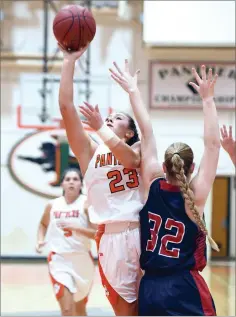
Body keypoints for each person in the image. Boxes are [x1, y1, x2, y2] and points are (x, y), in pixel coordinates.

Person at [106, 61, 220, 315]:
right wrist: (208, 100)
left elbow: (147, 133)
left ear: (164, 165)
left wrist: (133, 91)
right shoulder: (195, 196)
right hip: (184, 286)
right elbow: (213, 146)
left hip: (151, 288)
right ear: (191, 169)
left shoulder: (152, 183)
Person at [58, 45, 144, 316]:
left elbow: (130, 161)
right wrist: (69, 61)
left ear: (129, 132)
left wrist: (101, 128)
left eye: (116, 118)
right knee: (125, 309)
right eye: (107, 118)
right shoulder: (90, 152)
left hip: (143, 231)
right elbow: (66, 107)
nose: (109, 119)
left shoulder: (139, 149)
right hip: (111, 235)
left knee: (153, 305)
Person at [36, 168, 96, 316]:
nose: (71, 182)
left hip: (82, 261)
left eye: (75, 179)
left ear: (81, 184)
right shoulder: (52, 205)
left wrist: (77, 229)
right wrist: (40, 240)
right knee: (67, 310)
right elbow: (43, 224)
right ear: (62, 184)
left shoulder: (87, 205)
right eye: (67, 179)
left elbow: (97, 234)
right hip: (59, 260)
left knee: (80, 310)